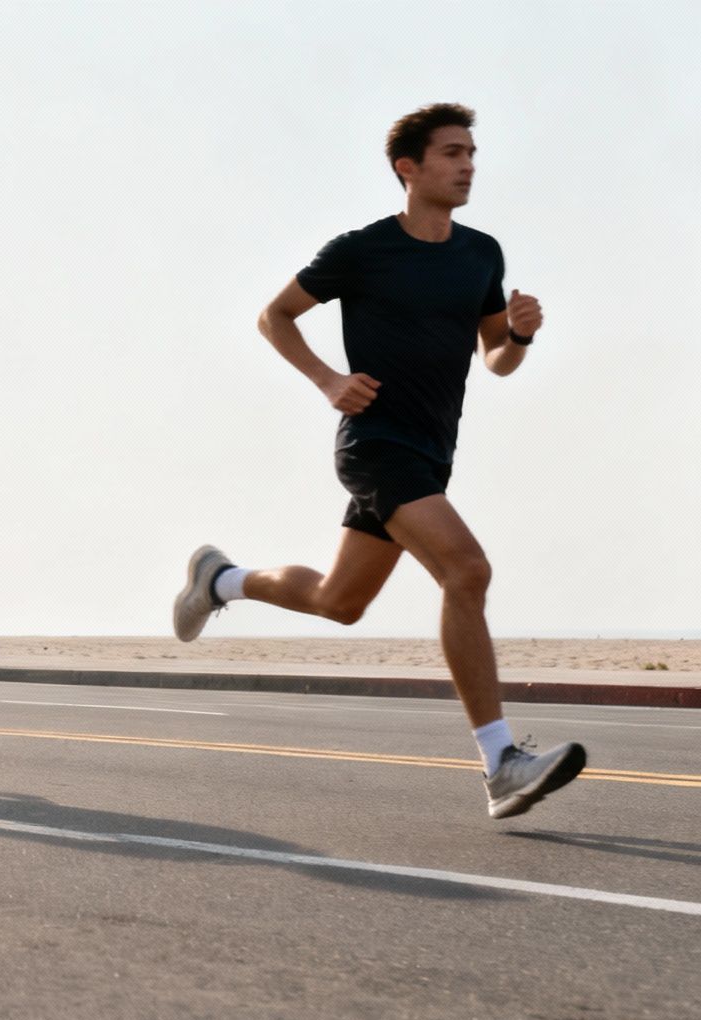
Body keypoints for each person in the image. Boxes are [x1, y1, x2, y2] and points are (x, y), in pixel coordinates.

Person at [173, 103, 585, 820]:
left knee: (341, 602)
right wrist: (329, 380)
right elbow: (275, 315)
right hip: (377, 445)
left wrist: (517, 337)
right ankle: (501, 764)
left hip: (433, 452)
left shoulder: (481, 253)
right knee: (468, 569)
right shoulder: (361, 250)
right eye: (452, 153)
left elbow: (496, 360)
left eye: (472, 154)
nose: (467, 166)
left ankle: (222, 580)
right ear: (409, 167)